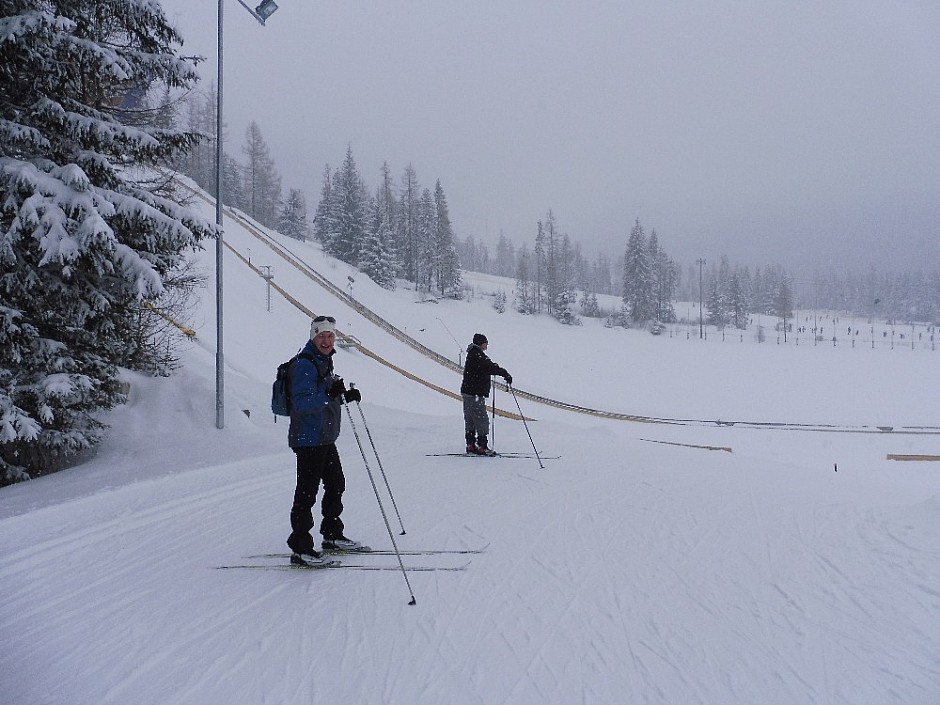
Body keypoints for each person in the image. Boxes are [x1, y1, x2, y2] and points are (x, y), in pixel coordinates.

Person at [285, 315, 364, 565]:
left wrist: (343, 395)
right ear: (314, 337)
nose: (327, 340)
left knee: (336, 483)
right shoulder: (305, 364)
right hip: (308, 439)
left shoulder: (324, 361)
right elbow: (301, 402)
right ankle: (300, 547)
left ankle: (331, 534)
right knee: (307, 494)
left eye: (330, 336)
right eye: (322, 336)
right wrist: (328, 394)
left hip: (324, 437)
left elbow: (325, 396)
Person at [460, 333, 512, 455]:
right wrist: (505, 373)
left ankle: (471, 445)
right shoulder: (477, 355)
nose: (487, 346)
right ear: (480, 343)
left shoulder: (474, 354)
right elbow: (490, 366)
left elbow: (488, 366)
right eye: (485, 343)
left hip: (468, 392)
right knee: (481, 419)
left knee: (470, 420)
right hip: (475, 393)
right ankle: (481, 446)